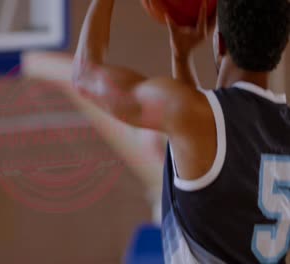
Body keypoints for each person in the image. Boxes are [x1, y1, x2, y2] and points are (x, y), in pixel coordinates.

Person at [73, 0, 290, 263]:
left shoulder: (195, 117)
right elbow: (207, 165)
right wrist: (181, 58)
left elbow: (85, 75)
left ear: (219, 43)